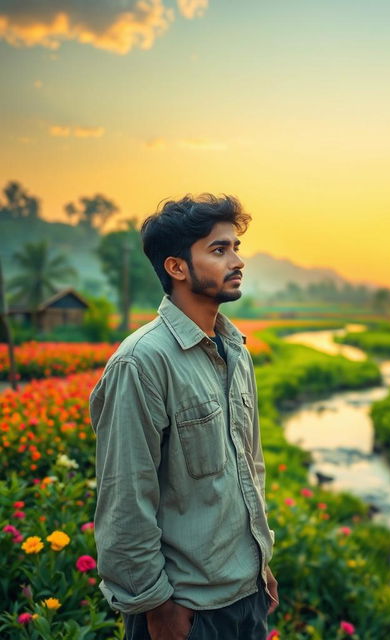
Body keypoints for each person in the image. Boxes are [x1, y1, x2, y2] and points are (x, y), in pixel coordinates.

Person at [90, 193, 278, 640]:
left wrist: (261, 567)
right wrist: (157, 607)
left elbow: (248, 471)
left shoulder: (236, 350)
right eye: (219, 250)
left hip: (244, 596)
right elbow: (125, 498)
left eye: (236, 247)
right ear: (176, 267)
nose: (237, 260)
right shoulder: (141, 363)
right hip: (185, 612)